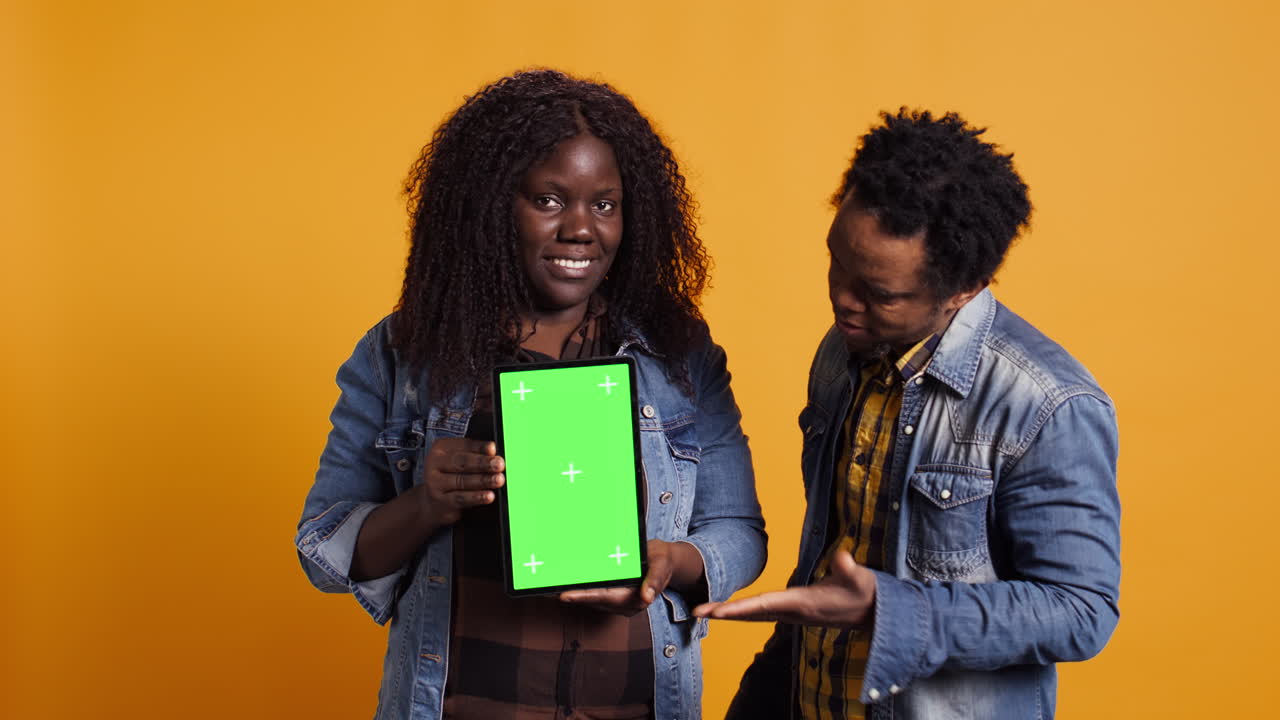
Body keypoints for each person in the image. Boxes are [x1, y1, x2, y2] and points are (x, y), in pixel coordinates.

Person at [295, 69, 766, 720]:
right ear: (491, 206)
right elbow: (322, 549)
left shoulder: (677, 353)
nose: (581, 228)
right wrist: (427, 503)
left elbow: (739, 533)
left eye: (604, 203)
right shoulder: (404, 352)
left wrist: (672, 562)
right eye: (549, 200)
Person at [695, 109, 1120, 720]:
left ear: (964, 287)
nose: (843, 297)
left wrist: (890, 610)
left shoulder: (1048, 403)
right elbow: (828, 557)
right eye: (837, 260)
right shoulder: (843, 353)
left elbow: (1082, 612)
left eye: (881, 293)